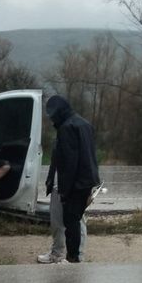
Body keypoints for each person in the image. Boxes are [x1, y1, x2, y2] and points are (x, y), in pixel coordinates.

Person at [40, 95, 100, 263]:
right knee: (73, 220)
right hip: (81, 183)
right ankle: (70, 255)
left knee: (72, 222)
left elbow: (69, 162)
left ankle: (73, 258)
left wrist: (65, 191)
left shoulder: (67, 128)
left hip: (71, 185)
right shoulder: (84, 125)